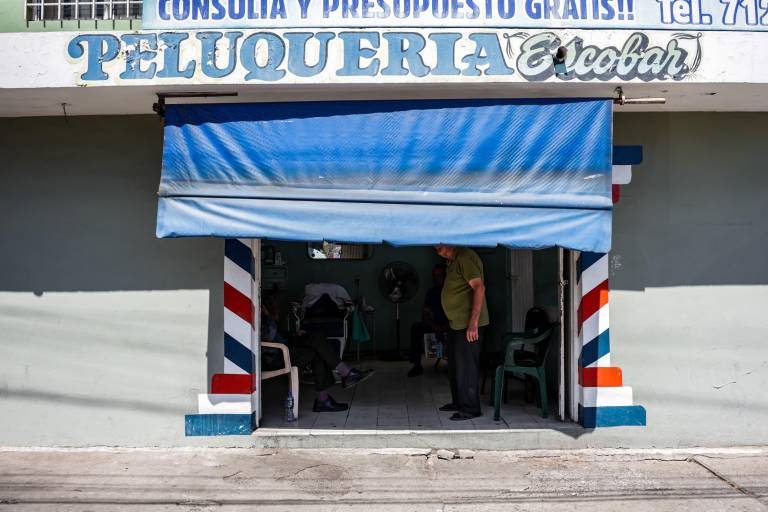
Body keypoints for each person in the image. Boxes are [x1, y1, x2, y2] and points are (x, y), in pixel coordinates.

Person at [261, 292, 374, 413]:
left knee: (316, 337)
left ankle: (333, 389)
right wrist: (268, 317)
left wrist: (293, 334)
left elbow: (278, 335)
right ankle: (340, 379)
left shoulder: (268, 319)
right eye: (273, 304)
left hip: (285, 346)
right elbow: (268, 337)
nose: (277, 307)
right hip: (275, 356)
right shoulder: (259, 318)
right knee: (316, 351)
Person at [434, 245, 490, 421]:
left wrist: (473, 323)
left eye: (438, 244)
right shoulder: (452, 261)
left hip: (469, 325)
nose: (436, 248)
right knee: (456, 366)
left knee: (467, 367)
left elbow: (479, 288)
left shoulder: (465, 257)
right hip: (456, 324)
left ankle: (471, 408)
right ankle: (459, 402)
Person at [407, 263, 449, 377]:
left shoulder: (452, 293)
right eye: (434, 276)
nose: (436, 279)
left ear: (446, 276)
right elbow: (425, 314)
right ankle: (416, 365)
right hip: (434, 325)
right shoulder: (431, 293)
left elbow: (457, 316)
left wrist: (443, 328)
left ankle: (453, 365)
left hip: (450, 326)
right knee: (416, 328)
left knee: (458, 330)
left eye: (439, 276)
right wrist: (434, 326)